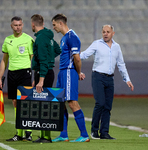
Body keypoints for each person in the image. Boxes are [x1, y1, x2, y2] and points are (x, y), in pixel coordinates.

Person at [80, 25, 134, 140]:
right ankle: (94, 131)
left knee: (108, 106)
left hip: (110, 79)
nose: (105, 34)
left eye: (108, 32)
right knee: (100, 103)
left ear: (113, 33)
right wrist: (74, 56)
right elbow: (84, 54)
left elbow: (121, 64)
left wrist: (127, 79)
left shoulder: (117, 47)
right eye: (103, 32)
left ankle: (104, 132)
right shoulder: (97, 44)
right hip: (98, 77)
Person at [51, 14, 90, 142]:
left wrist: (78, 73)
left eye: (54, 24)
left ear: (60, 23)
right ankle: (63, 135)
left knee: (72, 102)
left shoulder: (72, 37)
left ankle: (84, 135)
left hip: (68, 72)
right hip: (62, 73)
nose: (54, 27)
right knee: (60, 103)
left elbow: (77, 58)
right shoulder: (64, 38)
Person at [0, 16, 34, 141]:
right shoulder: (7, 40)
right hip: (12, 73)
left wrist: (35, 75)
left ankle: (28, 132)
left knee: (26, 102)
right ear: (11, 26)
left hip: (25, 72)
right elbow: (4, 60)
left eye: (20, 25)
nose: (18, 27)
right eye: (15, 25)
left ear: (22, 25)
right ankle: (19, 133)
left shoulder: (28, 39)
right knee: (15, 102)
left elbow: (33, 58)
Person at [31, 14, 62, 143]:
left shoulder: (40, 39)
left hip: (43, 73)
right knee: (45, 104)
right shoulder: (48, 36)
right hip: (46, 72)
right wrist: (50, 60)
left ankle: (46, 137)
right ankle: (45, 135)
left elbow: (43, 61)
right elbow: (57, 49)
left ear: (33, 24)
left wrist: (41, 79)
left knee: (43, 105)